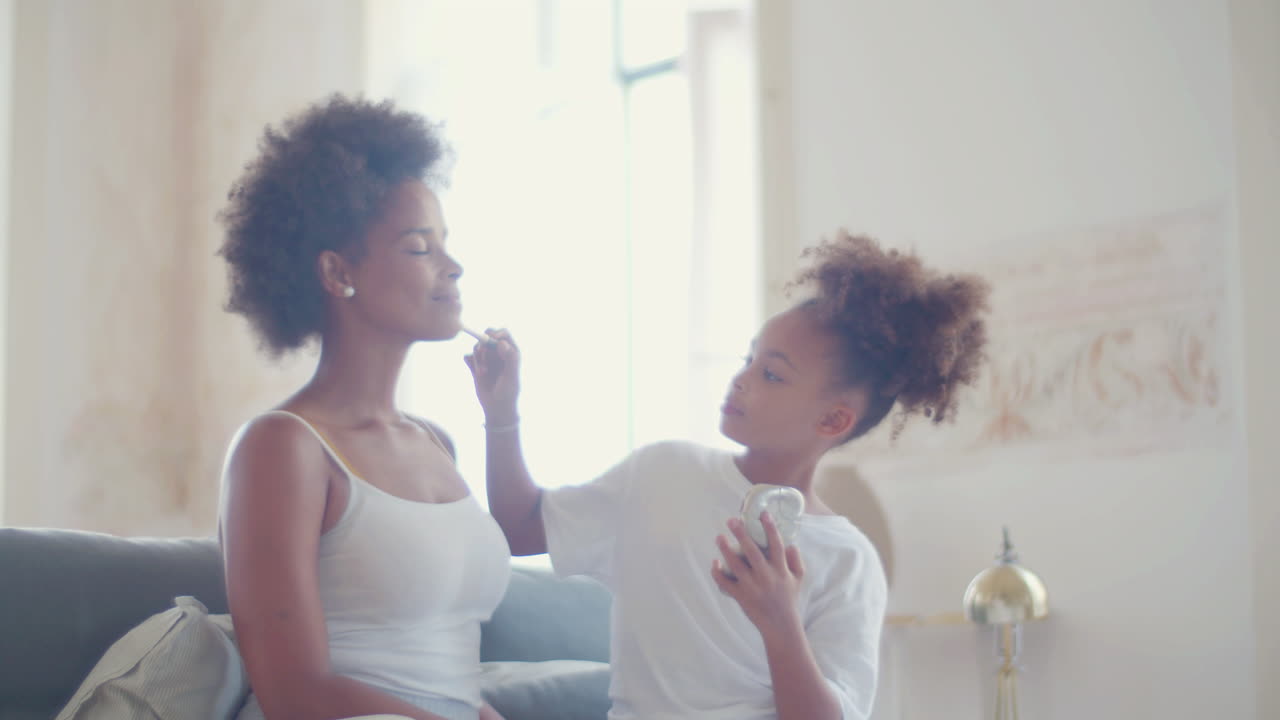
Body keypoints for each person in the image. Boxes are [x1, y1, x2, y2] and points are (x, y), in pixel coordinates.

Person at [467, 231, 990, 720]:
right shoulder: (662, 474)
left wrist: (778, 620)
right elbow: (519, 529)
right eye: (749, 358)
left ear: (832, 420)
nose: (740, 379)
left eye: (771, 374)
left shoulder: (849, 562)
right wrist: (501, 414)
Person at [217, 94, 510, 720]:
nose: (453, 267)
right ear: (336, 272)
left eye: (445, 244)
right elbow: (294, 694)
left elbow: (446, 669)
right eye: (418, 247)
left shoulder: (436, 444)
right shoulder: (282, 447)